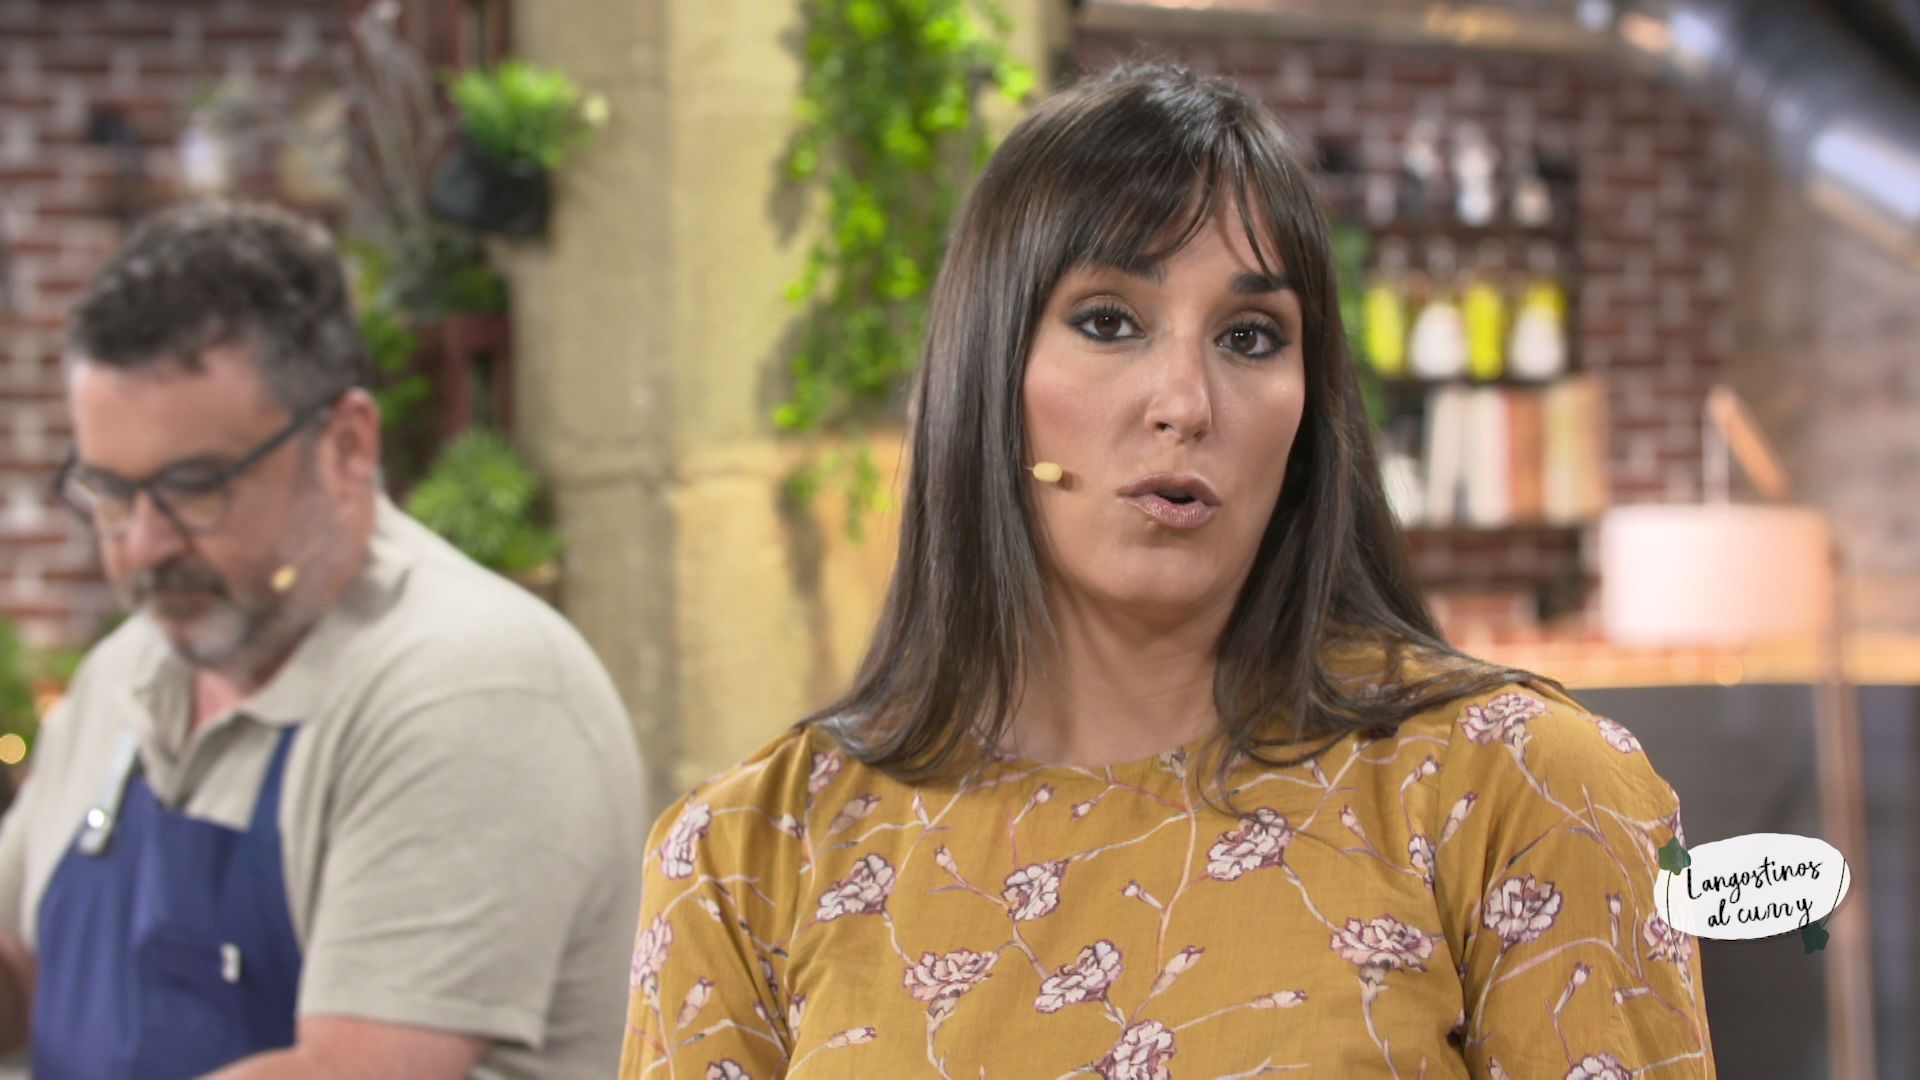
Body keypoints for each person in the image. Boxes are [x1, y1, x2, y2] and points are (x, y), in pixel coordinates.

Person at [620, 65, 1713, 1079]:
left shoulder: (1520, 792)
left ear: (1309, 410)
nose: (1185, 403)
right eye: (1109, 322)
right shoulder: (750, 857)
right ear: (987, 378)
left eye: (1250, 337)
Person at [0, 201, 647, 1079]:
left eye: (194, 486)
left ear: (346, 447)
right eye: (111, 492)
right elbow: (23, 968)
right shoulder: (134, 666)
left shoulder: (472, 689)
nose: (143, 545)